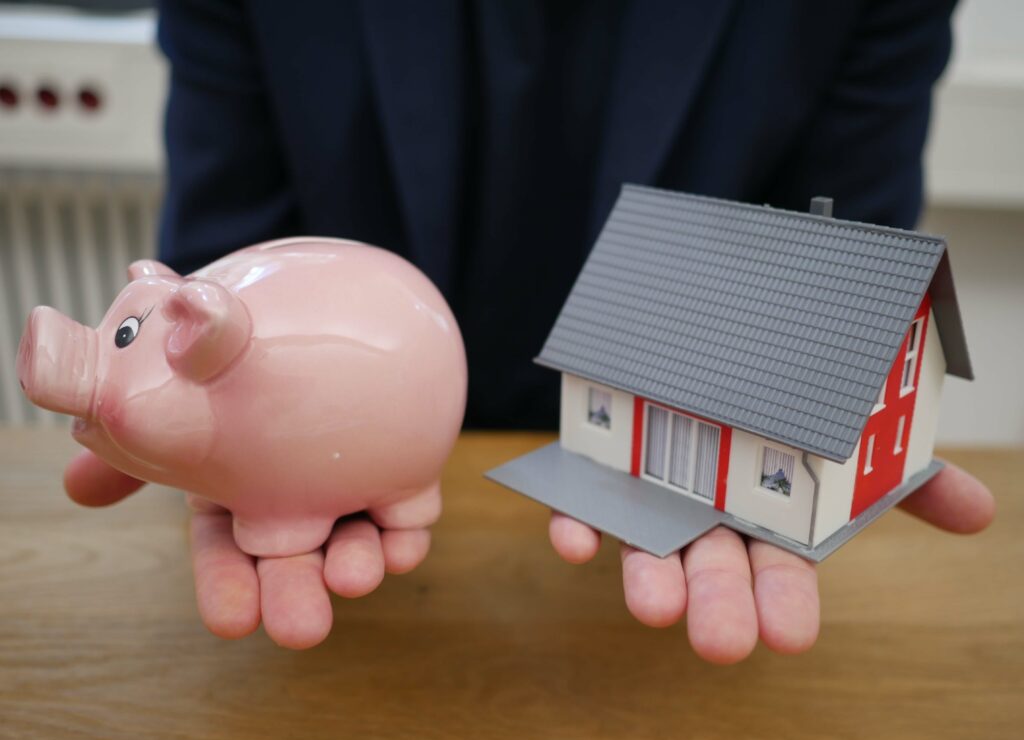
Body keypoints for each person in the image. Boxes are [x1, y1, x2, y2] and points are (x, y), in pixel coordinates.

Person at [66, 0, 994, 660]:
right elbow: (224, 250)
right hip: (353, 500)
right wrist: (182, 415)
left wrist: (848, 438)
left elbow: (845, 270)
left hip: (641, 548)